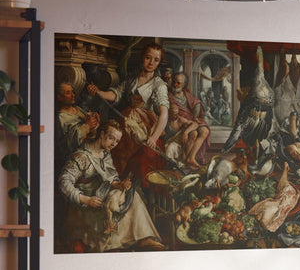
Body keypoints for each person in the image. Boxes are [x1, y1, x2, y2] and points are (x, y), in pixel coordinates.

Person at [58, 120, 165, 252]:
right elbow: (64, 182)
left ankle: (143, 238)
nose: (113, 143)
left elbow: (111, 178)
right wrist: (86, 199)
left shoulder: (105, 154)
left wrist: (120, 184)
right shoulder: (81, 157)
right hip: (86, 205)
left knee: (133, 195)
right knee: (111, 209)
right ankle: (115, 245)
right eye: (111, 138)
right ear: (102, 134)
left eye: (117, 141)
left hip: (102, 196)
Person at [87, 43, 169, 183]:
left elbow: (164, 113)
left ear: (159, 62)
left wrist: (154, 137)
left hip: (144, 127)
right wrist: (99, 93)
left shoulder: (159, 85)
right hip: (125, 121)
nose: (151, 63)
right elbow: (116, 94)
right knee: (115, 152)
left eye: (156, 60)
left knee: (139, 161)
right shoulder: (132, 78)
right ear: (143, 57)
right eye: (148, 57)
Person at [168, 72, 210, 167]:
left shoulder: (187, 94)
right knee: (193, 133)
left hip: (191, 120)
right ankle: (188, 159)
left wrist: (195, 115)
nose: (175, 85)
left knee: (205, 131)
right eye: (174, 82)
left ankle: (191, 157)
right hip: (181, 123)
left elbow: (196, 102)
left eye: (178, 83)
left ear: (183, 85)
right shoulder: (169, 96)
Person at [56, 82, 100, 166]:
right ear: (60, 97)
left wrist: (94, 119)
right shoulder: (61, 118)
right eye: (68, 93)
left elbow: (90, 123)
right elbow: (69, 143)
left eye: (73, 92)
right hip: (79, 158)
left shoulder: (77, 108)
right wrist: (87, 126)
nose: (73, 95)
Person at [164, 102, 200, 166]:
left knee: (194, 133)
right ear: (169, 113)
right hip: (168, 141)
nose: (176, 116)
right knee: (169, 149)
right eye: (174, 114)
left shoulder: (180, 120)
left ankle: (185, 160)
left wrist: (186, 133)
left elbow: (195, 124)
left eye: (177, 113)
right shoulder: (165, 120)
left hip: (179, 143)